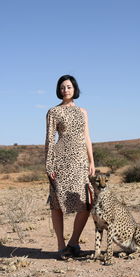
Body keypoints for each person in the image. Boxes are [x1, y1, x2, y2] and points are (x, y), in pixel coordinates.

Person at [45, 74, 95, 258]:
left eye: (68, 87)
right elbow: (50, 139)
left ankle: (74, 242)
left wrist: (92, 161)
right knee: (57, 203)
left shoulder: (83, 112)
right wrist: (49, 164)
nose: (65, 90)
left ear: (74, 89)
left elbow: (87, 137)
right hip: (60, 160)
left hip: (80, 162)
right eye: (62, 87)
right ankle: (60, 245)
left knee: (86, 203)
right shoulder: (53, 112)